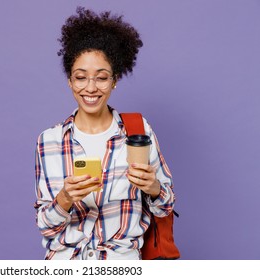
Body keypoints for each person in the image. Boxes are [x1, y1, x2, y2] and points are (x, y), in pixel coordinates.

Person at [34, 7, 175, 260]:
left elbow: (165, 207)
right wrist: (65, 198)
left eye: (101, 77)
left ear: (114, 79)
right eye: (80, 77)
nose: (90, 88)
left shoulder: (138, 130)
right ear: (70, 80)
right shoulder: (49, 141)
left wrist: (154, 188)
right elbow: (46, 226)